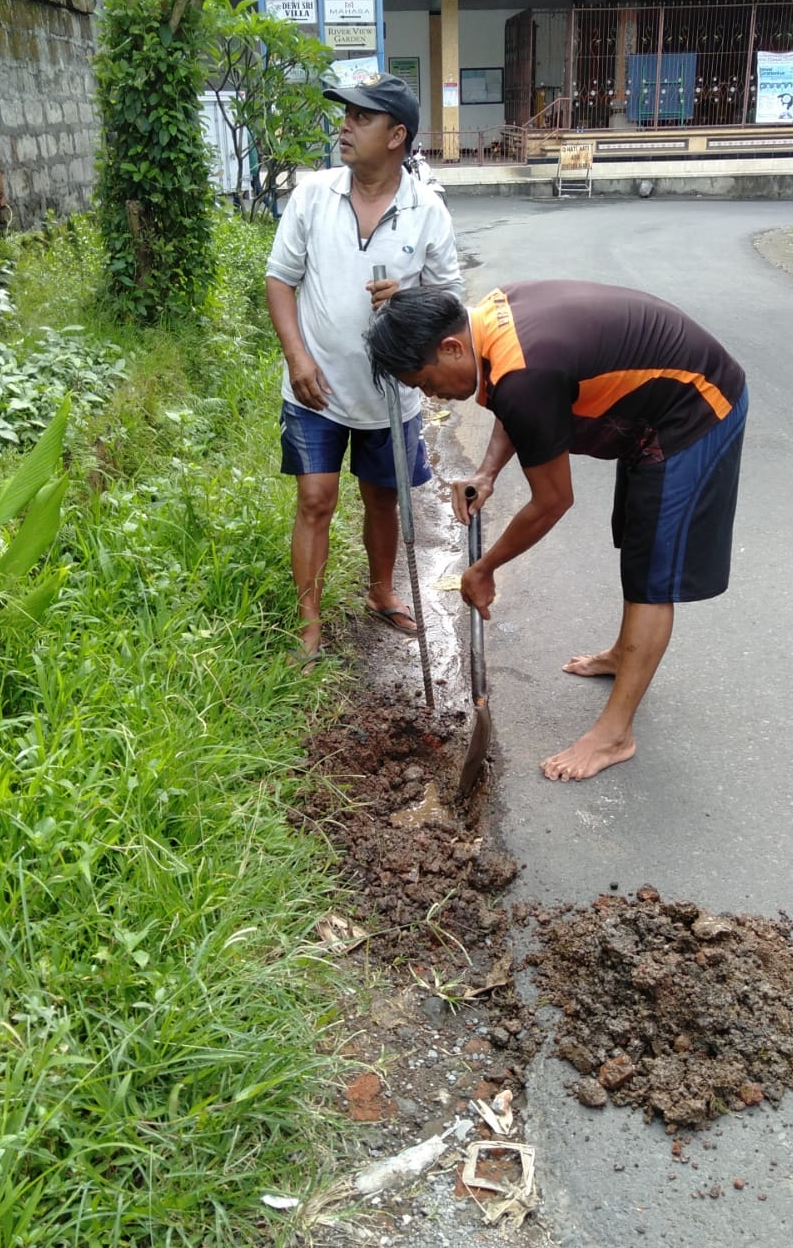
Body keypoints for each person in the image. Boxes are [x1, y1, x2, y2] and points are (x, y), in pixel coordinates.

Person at [366, 280, 748, 781]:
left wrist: (485, 568)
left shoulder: (524, 370)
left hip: (696, 411)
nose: (429, 393)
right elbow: (516, 399)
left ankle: (614, 736)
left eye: (424, 380)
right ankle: (623, 654)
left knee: (655, 573)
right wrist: (486, 474)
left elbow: (552, 500)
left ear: (451, 347)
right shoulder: (491, 326)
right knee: (640, 542)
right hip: (659, 408)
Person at [265, 72, 463, 667]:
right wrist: (296, 357)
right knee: (315, 500)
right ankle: (308, 625)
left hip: (391, 394)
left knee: (382, 500)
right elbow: (280, 280)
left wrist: (408, 297)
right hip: (316, 386)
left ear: (397, 135)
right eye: (345, 115)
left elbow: (452, 304)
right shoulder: (312, 196)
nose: (344, 127)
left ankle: (381, 592)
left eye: (361, 118)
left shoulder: (426, 210)